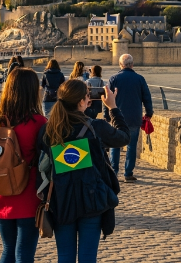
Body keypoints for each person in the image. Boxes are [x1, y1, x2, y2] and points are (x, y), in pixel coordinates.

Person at [37, 80, 129, 263]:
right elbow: (124, 137)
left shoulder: (48, 130)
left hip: (62, 200)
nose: (89, 99)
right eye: (87, 96)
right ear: (81, 102)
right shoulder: (96, 128)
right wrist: (113, 108)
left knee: (65, 257)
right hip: (91, 199)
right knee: (88, 258)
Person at [0, 68, 47, 263]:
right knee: (24, 253)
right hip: (28, 190)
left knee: (8, 249)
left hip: (0, 188)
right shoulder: (39, 122)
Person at [108, 54, 154, 182]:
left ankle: (114, 172)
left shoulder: (113, 79)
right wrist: (149, 113)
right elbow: (147, 98)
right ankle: (128, 173)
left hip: (116, 118)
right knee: (131, 146)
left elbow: (107, 98)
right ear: (132, 65)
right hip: (134, 117)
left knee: (115, 146)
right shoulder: (140, 79)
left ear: (120, 65)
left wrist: (107, 115)